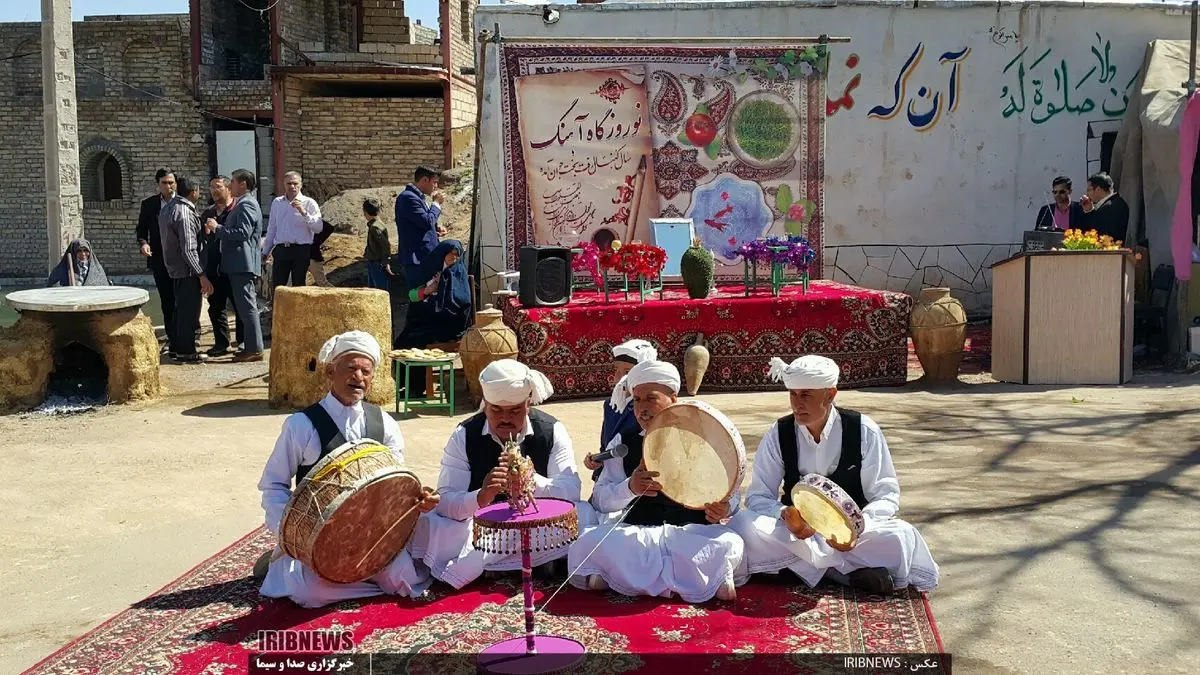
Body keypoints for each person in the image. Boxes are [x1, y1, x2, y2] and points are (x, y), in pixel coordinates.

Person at [257, 331, 439, 608]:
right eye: (350, 368)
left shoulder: (385, 424)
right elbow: (273, 485)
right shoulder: (301, 425)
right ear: (330, 371)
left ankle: (355, 582)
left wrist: (416, 499)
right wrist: (293, 535)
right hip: (319, 542)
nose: (358, 377)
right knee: (309, 594)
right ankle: (295, 569)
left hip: (371, 538)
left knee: (403, 579)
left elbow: (396, 484)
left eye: (366, 371)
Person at [730, 355, 940, 594]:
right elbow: (758, 496)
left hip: (852, 538)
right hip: (797, 534)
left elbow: (886, 494)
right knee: (743, 525)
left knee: (900, 536)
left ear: (830, 395)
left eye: (806, 395)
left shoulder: (863, 430)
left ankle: (801, 569)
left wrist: (855, 528)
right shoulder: (779, 433)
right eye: (793, 394)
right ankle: (843, 573)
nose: (797, 404)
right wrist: (787, 517)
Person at [569, 360, 744, 603]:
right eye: (637, 400)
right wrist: (630, 487)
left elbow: (732, 494)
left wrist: (724, 508)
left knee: (729, 542)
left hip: (691, 533)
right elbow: (600, 500)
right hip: (639, 532)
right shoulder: (624, 441)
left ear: (673, 398)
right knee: (591, 540)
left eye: (650, 398)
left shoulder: (704, 436)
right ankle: (697, 581)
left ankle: (622, 578)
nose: (642, 409)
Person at [410, 359, 587, 589]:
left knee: (586, 515)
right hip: (482, 525)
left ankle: (488, 564)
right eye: (496, 411)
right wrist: (481, 497)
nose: (505, 419)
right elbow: (446, 500)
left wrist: (530, 480)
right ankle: (529, 561)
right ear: (485, 405)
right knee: (427, 522)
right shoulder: (464, 434)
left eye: (515, 411)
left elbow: (571, 490)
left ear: (528, 405)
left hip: (535, 521)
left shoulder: (551, 430)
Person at [393, 240, 473, 398]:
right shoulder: (429, 270)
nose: (455, 259)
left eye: (457, 256)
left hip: (449, 324)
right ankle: (404, 385)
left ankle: (417, 388)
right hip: (429, 321)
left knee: (416, 341)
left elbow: (462, 301)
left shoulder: (457, 273)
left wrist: (438, 297)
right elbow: (412, 295)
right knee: (402, 341)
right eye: (452, 256)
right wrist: (428, 291)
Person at [205, 169, 266, 362]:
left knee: (247, 308)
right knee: (244, 307)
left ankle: (254, 349)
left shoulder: (246, 204)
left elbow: (242, 233)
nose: (230, 186)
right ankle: (250, 346)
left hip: (242, 264)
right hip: (239, 264)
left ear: (243, 185)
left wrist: (218, 228)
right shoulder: (244, 203)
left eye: (232, 182)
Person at [584, 339, 658, 482]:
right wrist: (597, 461)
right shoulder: (611, 406)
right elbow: (606, 446)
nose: (619, 377)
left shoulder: (650, 411)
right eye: (617, 369)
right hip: (609, 486)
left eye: (627, 371)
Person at [159, 174, 213, 364]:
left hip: (175, 269)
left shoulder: (169, 209)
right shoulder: (185, 212)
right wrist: (201, 274)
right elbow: (189, 248)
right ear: (194, 192)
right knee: (189, 312)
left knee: (180, 310)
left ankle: (176, 347)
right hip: (187, 271)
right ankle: (186, 350)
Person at [136, 169, 178, 352]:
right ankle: (172, 337)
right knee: (167, 299)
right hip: (160, 259)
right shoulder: (149, 204)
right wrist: (144, 244)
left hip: (181, 259)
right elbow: (141, 229)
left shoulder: (182, 203)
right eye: (164, 183)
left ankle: (190, 335)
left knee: (184, 299)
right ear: (158, 184)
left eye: (171, 182)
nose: (168, 186)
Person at [202, 176, 244, 356]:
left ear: (228, 189)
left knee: (240, 306)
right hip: (215, 268)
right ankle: (221, 343)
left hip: (234, 267)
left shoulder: (237, 210)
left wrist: (217, 228)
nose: (213, 191)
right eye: (211, 187)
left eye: (217, 187)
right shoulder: (207, 213)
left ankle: (242, 342)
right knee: (216, 307)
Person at [263, 171, 323, 288]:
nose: (292, 186)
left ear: (300, 184)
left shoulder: (309, 203)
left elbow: (318, 228)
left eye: (295, 183)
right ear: (284, 185)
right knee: (278, 287)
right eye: (289, 183)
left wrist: (304, 212)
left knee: (298, 286)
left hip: (301, 250)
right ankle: (278, 307)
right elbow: (272, 229)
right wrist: (265, 251)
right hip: (281, 250)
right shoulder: (277, 202)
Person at [395, 166, 447, 268]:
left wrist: (435, 230)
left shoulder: (418, 198)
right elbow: (427, 222)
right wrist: (436, 203)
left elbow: (419, 224)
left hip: (424, 257)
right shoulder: (408, 198)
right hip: (417, 259)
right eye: (434, 182)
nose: (436, 186)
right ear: (425, 180)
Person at [1079, 172, 1131, 243]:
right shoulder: (1117, 202)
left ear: (1098, 189)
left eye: (1089, 190)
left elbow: (1096, 232)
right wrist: (1089, 211)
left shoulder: (1109, 207)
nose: (1087, 194)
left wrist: (1089, 212)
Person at [363, 199, 391, 290]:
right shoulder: (377, 224)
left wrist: (385, 261)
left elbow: (385, 245)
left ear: (365, 212)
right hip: (374, 262)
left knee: (379, 290)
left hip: (377, 263)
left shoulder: (375, 227)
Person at [309, 219, 336, 287]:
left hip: (312, 256)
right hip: (298, 255)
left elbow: (329, 228)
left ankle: (339, 296)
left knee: (322, 283)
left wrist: (316, 242)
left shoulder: (312, 219)